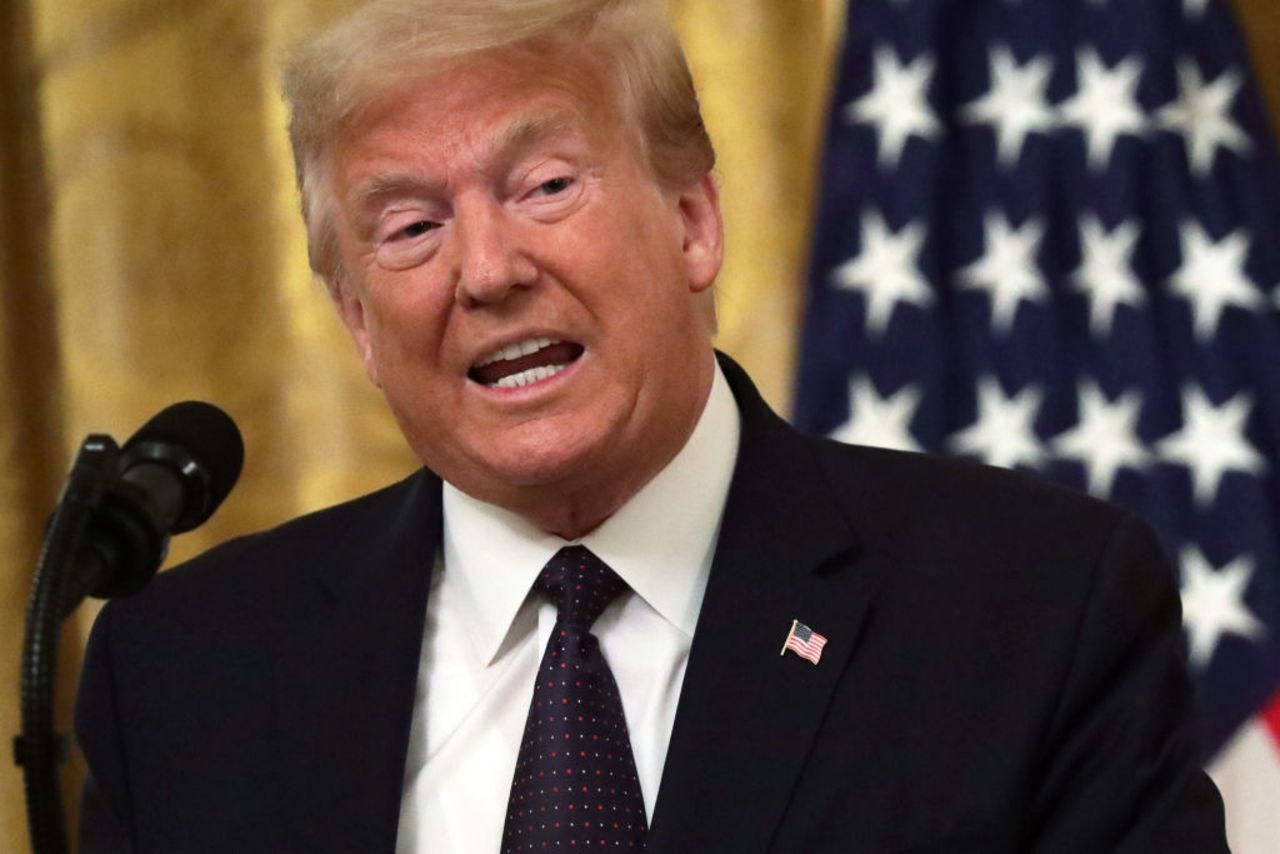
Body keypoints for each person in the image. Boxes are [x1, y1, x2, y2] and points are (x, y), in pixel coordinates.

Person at [75, 0, 1229, 851]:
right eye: (411, 226)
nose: (486, 270)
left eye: (543, 186)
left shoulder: (1028, 608)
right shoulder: (185, 679)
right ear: (356, 320)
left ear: (690, 220)